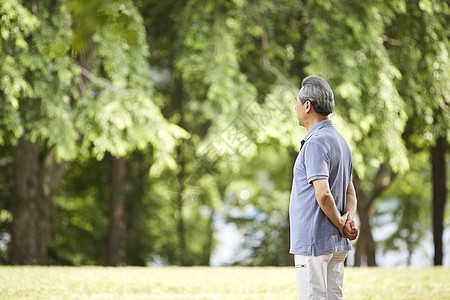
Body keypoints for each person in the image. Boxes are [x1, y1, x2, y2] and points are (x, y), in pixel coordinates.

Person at [289, 76, 358, 300]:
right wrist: (348, 219)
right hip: (335, 244)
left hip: (314, 244)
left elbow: (323, 193)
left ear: (307, 105)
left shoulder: (316, 142)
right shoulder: (340, 141)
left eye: (297, 101)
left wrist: (340, 223)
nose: (295, 106)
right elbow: (351, 193)